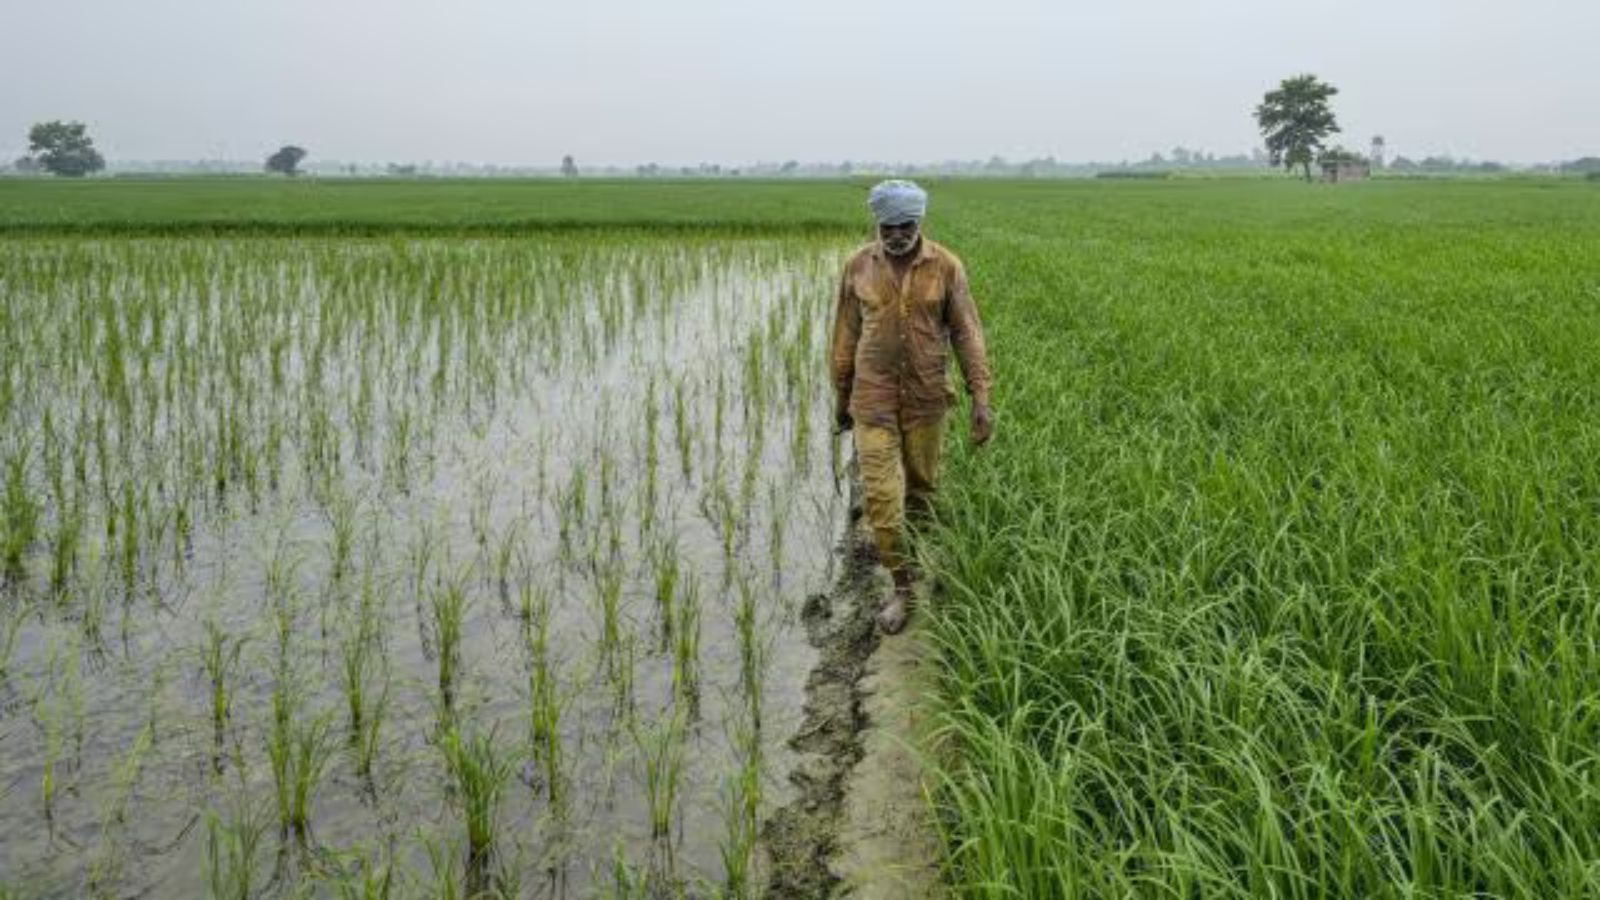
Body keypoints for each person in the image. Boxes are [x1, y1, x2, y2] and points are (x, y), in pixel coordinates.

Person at [830, 179, 993, 635]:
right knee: (882, 498)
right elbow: (844, 337)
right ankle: (902, 587)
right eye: (889, 226)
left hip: (926, 399)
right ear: (877, 223)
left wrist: (980, 398)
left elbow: (967, 333)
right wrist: (841, 398)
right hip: (873, 400)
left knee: (922, 490)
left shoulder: (946, 267)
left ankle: (918, 558)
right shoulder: (858, 267)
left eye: (906, 225)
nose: (898, 234)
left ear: (920, 222)